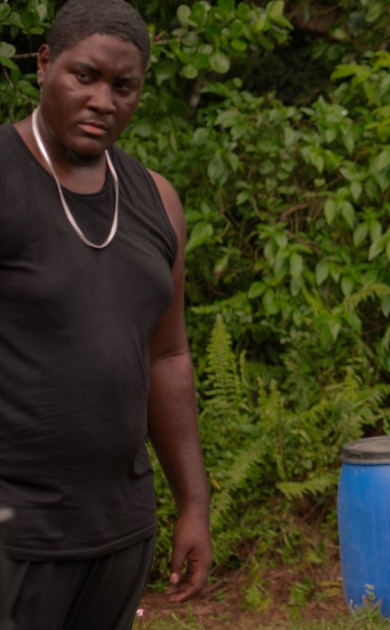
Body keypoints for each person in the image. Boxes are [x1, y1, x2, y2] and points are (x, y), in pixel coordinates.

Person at [0, 1, 212, 628]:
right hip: (15, 535)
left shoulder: (156, 200)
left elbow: (167, 355)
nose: (102, 101)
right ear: (45, 64)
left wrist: (193, 502)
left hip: (119, 530)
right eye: (84, 76)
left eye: (124, 86)